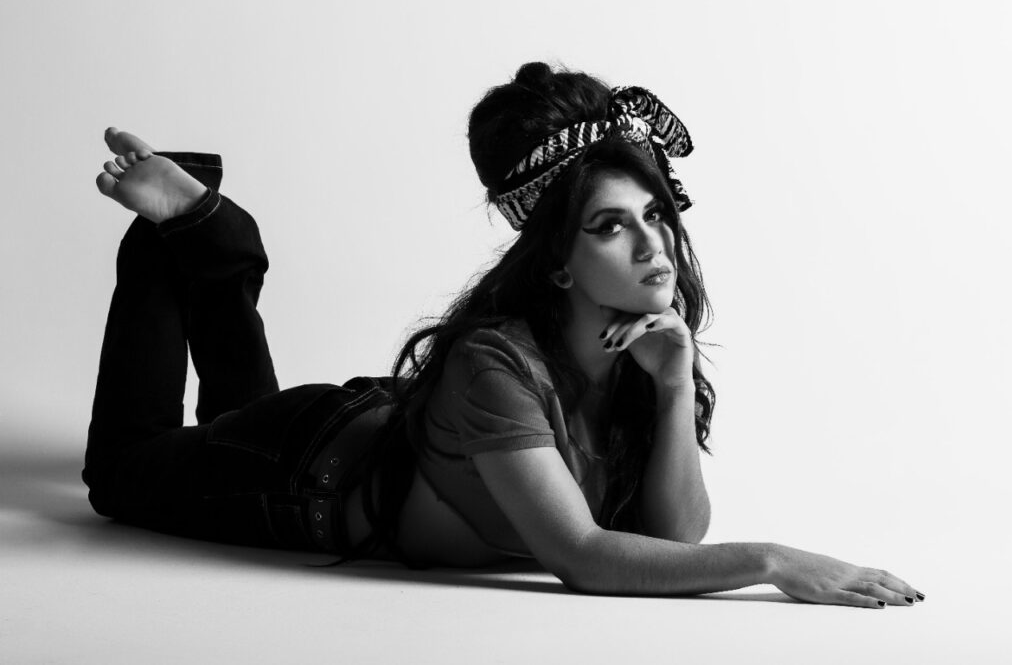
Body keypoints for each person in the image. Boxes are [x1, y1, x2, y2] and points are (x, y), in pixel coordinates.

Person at [84, 61, 924, 608]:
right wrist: (775, 561)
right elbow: (584, 557)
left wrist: (673, 387)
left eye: (655, 214)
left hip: (390, 430)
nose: (653, 244)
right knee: (120, 472)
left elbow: (673, 538)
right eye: (610, 225)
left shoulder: (644, 352)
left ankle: (207, 232)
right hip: (309, 471)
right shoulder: (493, 361)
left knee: (229, 415)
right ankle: (196, 231)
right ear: (557, 261)